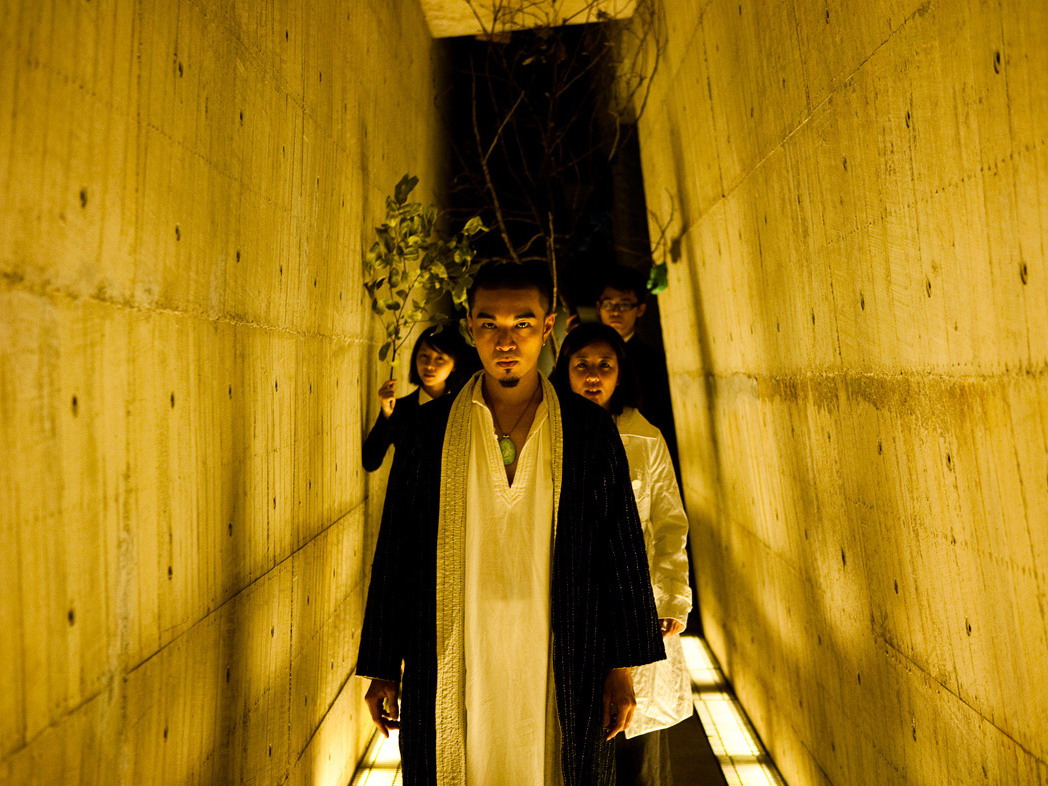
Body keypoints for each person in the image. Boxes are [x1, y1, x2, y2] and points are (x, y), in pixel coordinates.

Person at [356, 262, 665, 786]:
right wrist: (383, 664)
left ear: (546, 328)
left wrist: (622, 667)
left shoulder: (589, 431)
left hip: (562, 653)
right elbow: (396, 550)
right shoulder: (428, 432)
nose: (505, 341)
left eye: (521, 323)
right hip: (456, 650)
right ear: (470, 328)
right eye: (489, 324)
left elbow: (621, 549)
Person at [552, 323, 693, 786]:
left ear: (620, 373)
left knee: (636, 742)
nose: (593, 375)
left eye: (604, 365)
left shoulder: (644, 437)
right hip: (566, 602)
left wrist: (671, 598)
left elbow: (669, 522)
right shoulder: (547, 430)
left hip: (636, 600)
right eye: (582, 365)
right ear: (565, 370)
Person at [596, 267, 679, 477]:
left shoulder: (653, 362)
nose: (615, 312)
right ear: (599, 307)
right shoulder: (583, 356)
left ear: (640, 309)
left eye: (624, 305)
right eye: (608, 304)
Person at [361, 325, 476, 472]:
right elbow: (370, 462)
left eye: (440, 358)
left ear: (454, 364)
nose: (429, 366)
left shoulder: (464, 408)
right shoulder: (401, 408)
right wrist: (387, 415)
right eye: (424, 356)